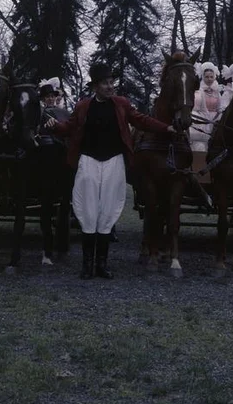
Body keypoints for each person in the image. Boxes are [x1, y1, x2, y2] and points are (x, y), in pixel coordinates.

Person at [45, 62, 175, 279]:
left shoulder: (121, 104)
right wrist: (54, 127)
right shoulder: (83, 106)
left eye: (111, 82)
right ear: (95, 86)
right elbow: (69, 127)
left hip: (114, 161)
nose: (110, 86)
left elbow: (141, 120)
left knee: (108, 210)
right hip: (88, 161)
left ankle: (101, 265)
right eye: (105, 83)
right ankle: (87, 266)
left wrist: (166, 128)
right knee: (87, 210)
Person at [190, 62, 221, 152]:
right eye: (206, 77)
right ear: (202, 77)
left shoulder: (217, 91)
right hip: (201, 117)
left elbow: (220, 107)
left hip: (215, 118)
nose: (209, 79)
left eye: (211, 77)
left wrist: (217, 116)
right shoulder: (199, 91)